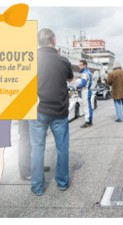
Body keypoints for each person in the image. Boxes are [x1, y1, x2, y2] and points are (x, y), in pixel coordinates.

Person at [29, 28, 73, 196]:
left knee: (37, 148)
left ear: (38, 42)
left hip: (37, 110)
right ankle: (62, 182)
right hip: (59, 111)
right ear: (54, 41)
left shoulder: (31, 59)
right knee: (62, 147)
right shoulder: (63, 60)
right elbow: (69, 78)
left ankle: (37, 187)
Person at [76, 60, 93, 128]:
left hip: (85, 91)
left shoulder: (84, 73)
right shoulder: (88, 72)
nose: (79, 66)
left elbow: (83, 83)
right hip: (88, 90)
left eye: (80, 65)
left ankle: (88, 122)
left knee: (86, 107)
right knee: (88, 106)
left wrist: (77, 86)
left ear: (84, 65)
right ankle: (90, 121)